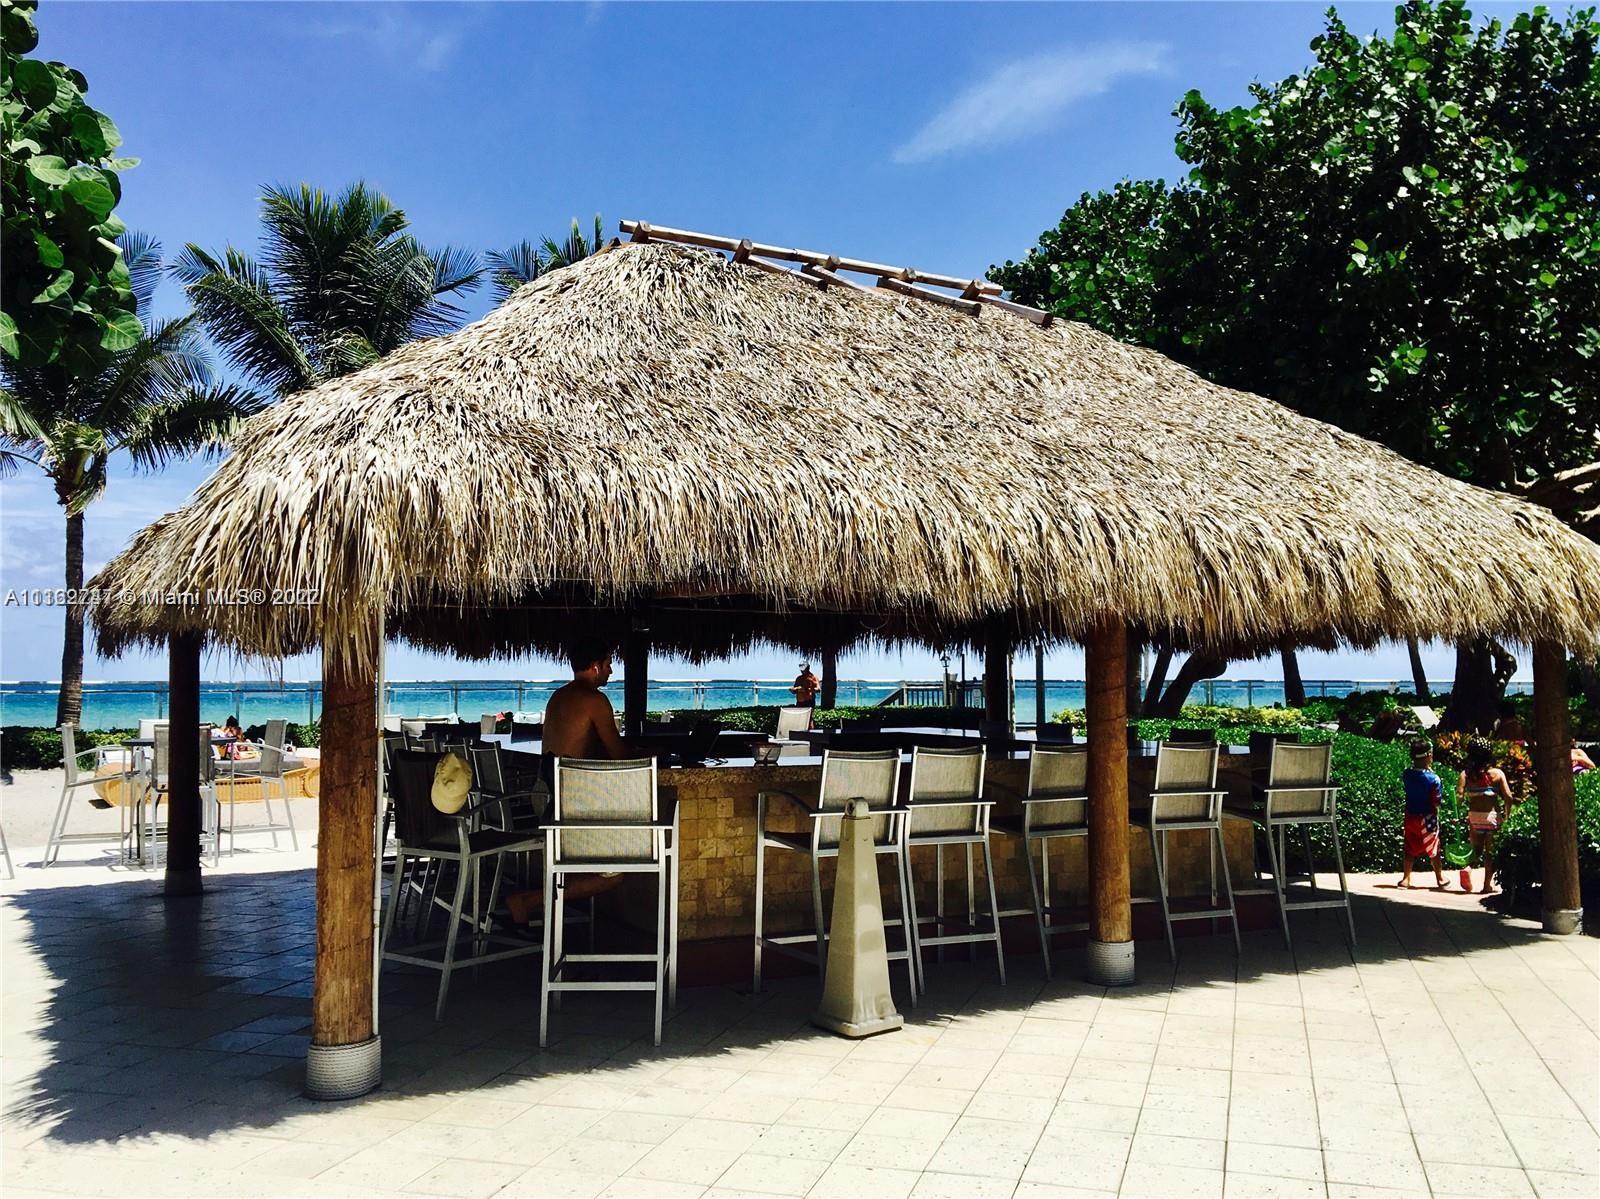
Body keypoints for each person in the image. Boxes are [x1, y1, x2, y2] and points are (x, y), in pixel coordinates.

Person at [542, 636, 632, 760]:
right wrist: (653, 754)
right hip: (573, 772)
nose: (610, 671)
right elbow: (620, 756)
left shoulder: (557, 696)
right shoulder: (595, 700)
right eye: (608, 665)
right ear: (596, 667)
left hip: (549, 771)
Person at [1459, 737, 1515, 895]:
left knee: (1476, 849)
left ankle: (1467, 868)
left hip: (1475, 817)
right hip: (1492, 817)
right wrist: (1507, 814)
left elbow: (1459, 795)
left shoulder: (1466, 775)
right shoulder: (1497, 774)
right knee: (1490, 854)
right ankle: (1486, 886)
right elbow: (1509, 797)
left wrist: (1458, 812)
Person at [1400, 738, 1449, 890]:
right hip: (1428, 818)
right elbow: (1436, 801)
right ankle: (1440, 878)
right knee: (1434, 848)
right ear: (1429, 756)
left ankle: (1406, 878)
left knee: (1409, 847)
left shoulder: (1407, 774)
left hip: (1410, 817)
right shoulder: (1434, 779)